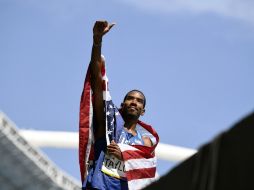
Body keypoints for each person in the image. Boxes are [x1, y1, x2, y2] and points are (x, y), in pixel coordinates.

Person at [80, 20, 159, 190]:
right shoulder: (109, 123)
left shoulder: (145, 142)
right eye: (130, 98)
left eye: (139, 101)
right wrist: (97, 41)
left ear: (143, 111)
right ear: (122, 105)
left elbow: (145, 174)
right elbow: (97, 81)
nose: (134, 102)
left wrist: (125, 155)